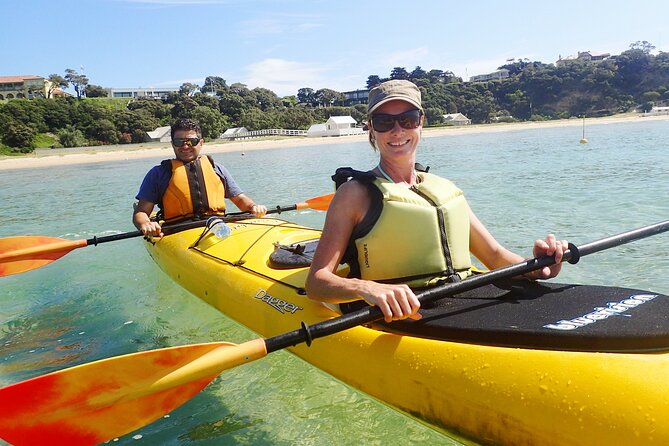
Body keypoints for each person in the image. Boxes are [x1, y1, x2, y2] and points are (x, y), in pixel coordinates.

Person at [305, 80, 568, 323]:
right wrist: (367, 288)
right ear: (371, 128)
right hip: (404, 312)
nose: (397, 131)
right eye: (384, 122)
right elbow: (317, 283)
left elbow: (495, 256)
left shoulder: (444, 189)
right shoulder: (354, 194)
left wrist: (540, 267)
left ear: (421, 122)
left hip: (465, 297)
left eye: (407, 120)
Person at [133, 118, 267, 236]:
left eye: (191, 141)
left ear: (201, 143)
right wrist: (145, 223)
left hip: (216, 226)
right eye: (179, 141)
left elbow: (240, 199)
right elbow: (141, 212)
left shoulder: (217, 169)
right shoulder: (158, 173)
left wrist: (253, 207)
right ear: (173, 143)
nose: (185, 146)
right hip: (177, 231)